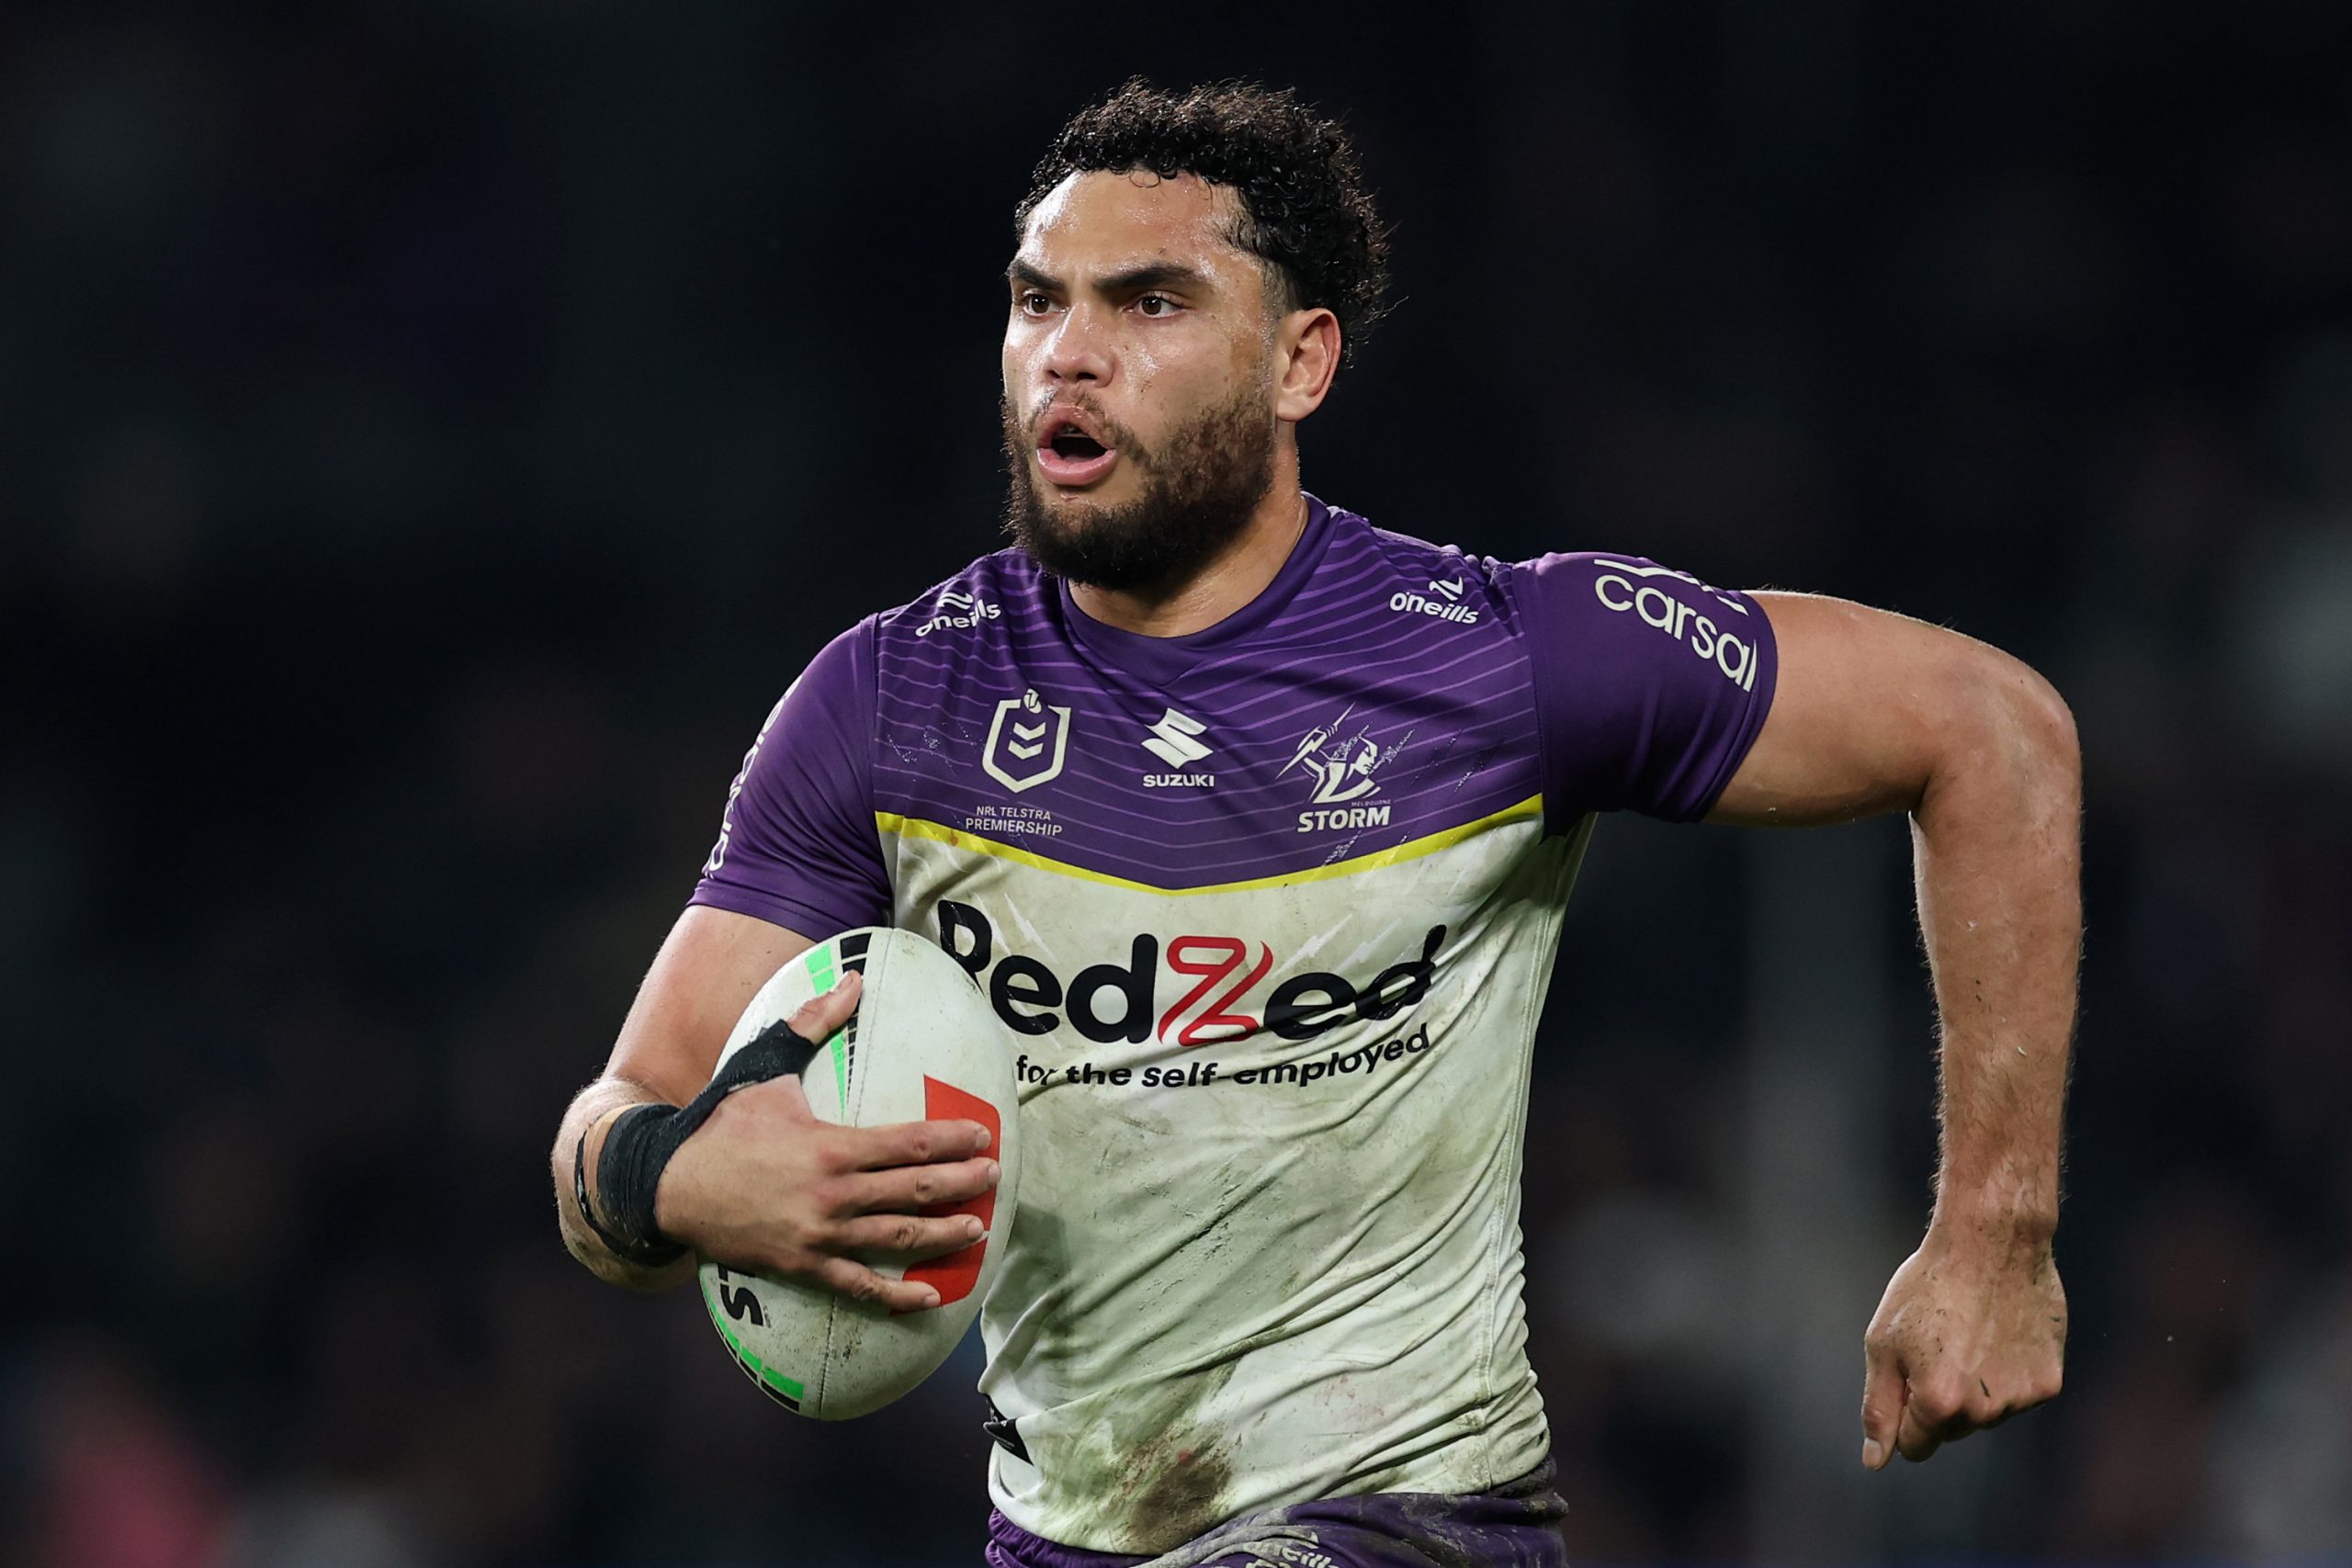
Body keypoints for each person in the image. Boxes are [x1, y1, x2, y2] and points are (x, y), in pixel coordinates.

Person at [550, 79, 2078, 1568]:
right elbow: (611, 1127)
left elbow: (1994, 731)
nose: (1069, 353)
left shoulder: (1500, 661)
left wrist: (1994, 1234)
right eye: (1037, 301)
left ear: (1301, 362)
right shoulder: (893, 704)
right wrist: (673, 1177)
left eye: (1150, 303)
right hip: (1061, 1536)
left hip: (1413, 1520)